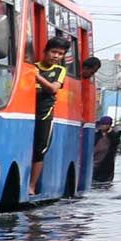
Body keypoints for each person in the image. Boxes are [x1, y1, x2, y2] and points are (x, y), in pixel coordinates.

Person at [28, 34, 72, 195]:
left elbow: (53, 89)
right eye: (54, 52)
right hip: (26, 113)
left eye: (60, 54)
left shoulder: (59, 70)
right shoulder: (32, 66)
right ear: (45, 51)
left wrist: (37, 76)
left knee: (40, 150)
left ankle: (32, 186)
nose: (56, 56)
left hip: (44, 114)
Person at [93, 115, 121, 183]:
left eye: (106, 124)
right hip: (95, 161)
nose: (103, 126)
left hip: (107, 164)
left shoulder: (113, 135)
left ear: (109, 125)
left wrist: (110, 133)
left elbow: (116, 142)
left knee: (105, 183)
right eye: (102, 124)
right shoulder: (97, 134)